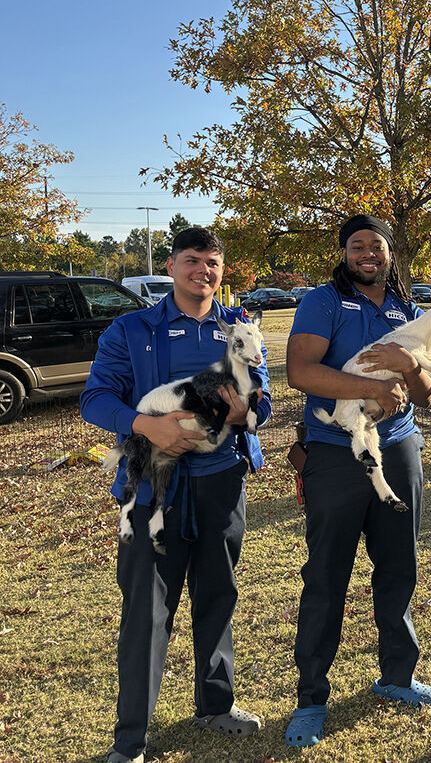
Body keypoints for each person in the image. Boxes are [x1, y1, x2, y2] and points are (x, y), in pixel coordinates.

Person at [81, 227, 272, 763]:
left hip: (220, 482)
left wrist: (244, 414)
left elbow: (265, 402)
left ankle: (216, 705)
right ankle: (131, 740)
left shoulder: (238, 330)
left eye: (212, 262)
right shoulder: (131, 327)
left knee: (218, 595)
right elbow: (95, 398)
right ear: (170, 266)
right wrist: (146, 425)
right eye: (192, 261)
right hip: (151, 490)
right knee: (147, 610)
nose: (202, 271)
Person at [284, 214, 431, 747]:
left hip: (399, 448)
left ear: (390, 254)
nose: (367, 254)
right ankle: (311, 699)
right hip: (334, 453)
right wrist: (366, 387)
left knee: (399, 567)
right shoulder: (322, 301)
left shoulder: (405, 307)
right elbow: (300, 371)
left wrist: (409, 367)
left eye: (377, 246)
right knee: (327, 577)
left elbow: (424, 393)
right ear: (344, 253)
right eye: (357, 246)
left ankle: (397, 675)